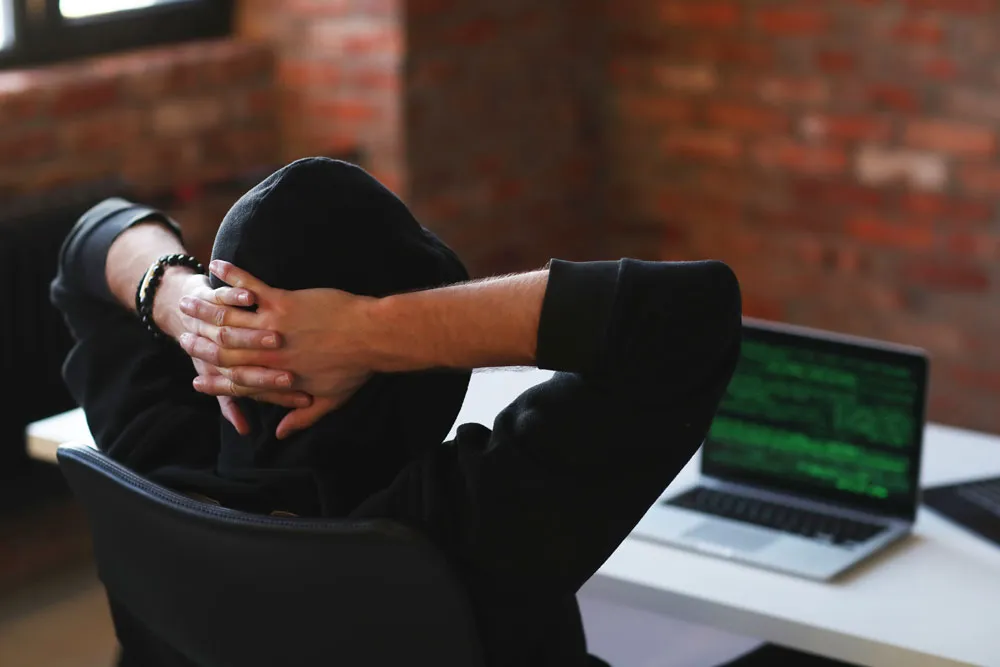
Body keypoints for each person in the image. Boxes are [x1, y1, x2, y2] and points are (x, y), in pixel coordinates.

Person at [52, 157, 742, 667]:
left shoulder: (156, 455)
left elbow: (89, 241)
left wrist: (175, 299)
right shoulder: (459, 527)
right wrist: (369, 330)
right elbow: (685, 318)